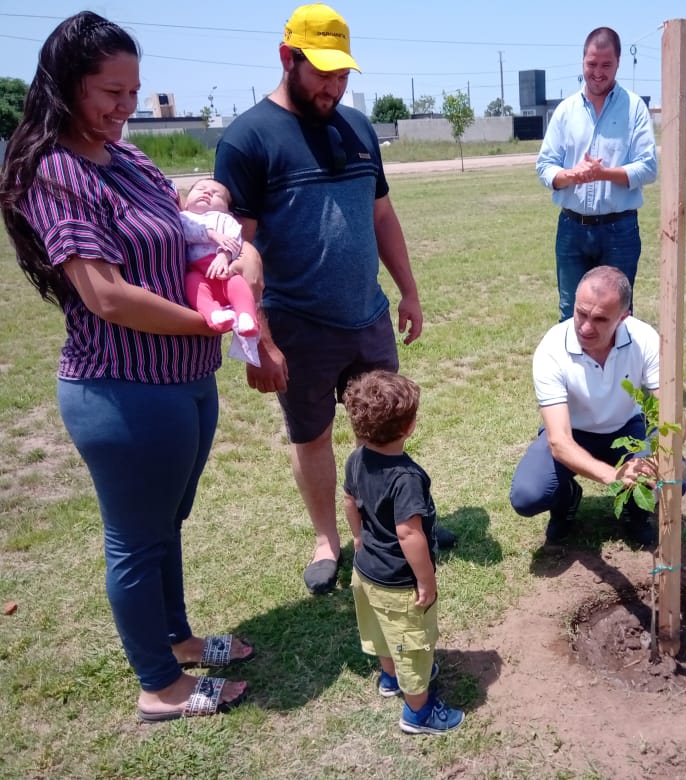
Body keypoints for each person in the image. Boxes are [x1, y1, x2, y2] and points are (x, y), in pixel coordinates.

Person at [0, 12, 253, 721]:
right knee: (136, 541)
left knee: (167, 522)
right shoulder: (57, 171)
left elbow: (189, 220)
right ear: (65, 87)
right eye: (110, 92)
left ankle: (177, 640)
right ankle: (159, 685)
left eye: (134, 91)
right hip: (123, 389)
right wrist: (210, 319)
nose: (124, 107)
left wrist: (225, 244)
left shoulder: (131, 159)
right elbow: (106, 295)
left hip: (185, 382)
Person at [215, 2, 453, 597]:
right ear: (286, 58)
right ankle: (327, 538)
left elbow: (381, 214)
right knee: (312, 434)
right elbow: (237, 253)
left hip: (367, 314)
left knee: (384, 426)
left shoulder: (358, 128)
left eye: (343, 73)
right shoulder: (247, 139)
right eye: (322, 72)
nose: (335, 86)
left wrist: (409, 291)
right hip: (299, 324)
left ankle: (396, 518)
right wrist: (259, 339)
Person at [509, 266, 686, 548]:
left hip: (627, 430)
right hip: (573, 433)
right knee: (527, 496)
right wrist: (613, 475)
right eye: (581, 313)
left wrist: (652, 461)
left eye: (600, 319)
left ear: (622, 318)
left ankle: (635, 511)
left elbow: (673, 418)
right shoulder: (552, 349)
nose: (585, 327)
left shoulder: (645, 340)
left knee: (676, 473)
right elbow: (559, 441)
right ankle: (567, 498)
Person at [342, 370, 464, 735]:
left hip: (365, 573)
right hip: (398, 583)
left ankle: (390, 678)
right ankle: (419, 713)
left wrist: (359, 538)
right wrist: (425, 578)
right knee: (413, 645)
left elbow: (349, 501)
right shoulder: (406, 476)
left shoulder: (356, 458)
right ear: (409, 426)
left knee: (382, 630)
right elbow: (409, 533)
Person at [535, 27, 658, 321]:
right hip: (572, 229)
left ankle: (619, 369)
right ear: (582, 62)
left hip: (620, 230)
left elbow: (648, 167)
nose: (598, 72)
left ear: (618, 63)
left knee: (618, 315)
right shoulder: (565, 111)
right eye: (592, 64)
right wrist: (571, 175)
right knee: (570, 313)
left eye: (606, 65)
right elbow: (544, 167)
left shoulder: (634, 108)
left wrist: (604, 173)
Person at [179, 178, 258, 338]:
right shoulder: (185, 217)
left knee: (238, 283)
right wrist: (211, 234)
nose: (207, 193)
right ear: (186, 202)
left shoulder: (226, 220)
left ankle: (246, 316)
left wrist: (224, 254)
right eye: (201, 189)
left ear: (227, 210)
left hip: (225, 271)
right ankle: (214, 313)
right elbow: (186, 231)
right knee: (192, 283)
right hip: (199, 273)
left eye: (217, 195)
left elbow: (235, 238)